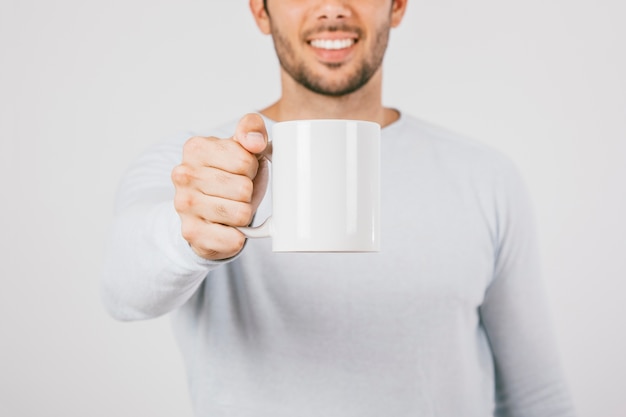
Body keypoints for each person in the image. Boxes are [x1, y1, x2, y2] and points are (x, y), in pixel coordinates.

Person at [102, 1, 576, 416]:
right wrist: (192, 235)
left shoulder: (486, 177)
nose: (332, 7)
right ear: (260, 10)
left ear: (398, 5)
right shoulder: (194, 169)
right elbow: (124, 289)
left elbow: (537, 398)